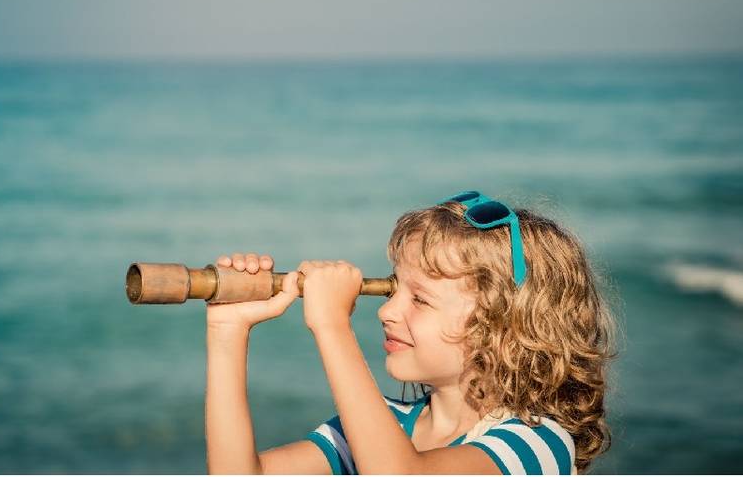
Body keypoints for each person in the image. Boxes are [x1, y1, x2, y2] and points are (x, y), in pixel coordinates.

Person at [205, 191, 617, 474]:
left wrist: (332, 327)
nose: (386, 311)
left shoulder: (536, 446)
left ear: (505, 327)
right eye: (393, 288)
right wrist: (228, 332)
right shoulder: (381, 425)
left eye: (419, 299)